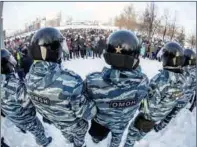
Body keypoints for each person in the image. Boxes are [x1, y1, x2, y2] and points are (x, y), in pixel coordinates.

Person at [25, 27, 96, 147]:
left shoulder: (28, 78)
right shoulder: (70, 81)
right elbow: (88, 113)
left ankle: (68, 140)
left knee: (66, 132)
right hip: (74, 124)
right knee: (79, 135)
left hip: (57, 122)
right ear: (53, 50)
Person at [85, 30, 149, 147]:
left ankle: (96, 140)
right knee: (117, 137)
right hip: (122, 122)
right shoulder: (143, 81)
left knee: (97, 135)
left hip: (101, 122)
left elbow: (86, 108)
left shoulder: (92, 81)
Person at [125, 42, 187, 146]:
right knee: (143, 132)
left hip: (147, 117)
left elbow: (147, 107)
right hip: (159, 116)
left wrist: (141, 95)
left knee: (132, 132)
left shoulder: (161, 80)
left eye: (164, 56)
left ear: (168, 59)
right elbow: (176, 100)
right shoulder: (183, 80)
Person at [1, 49, 52, 147]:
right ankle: (43, 142)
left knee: (20, 124)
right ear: (5, 65)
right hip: (24, 117)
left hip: (11, 114)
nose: (12, 62)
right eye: (10, 60)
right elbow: (28, 103)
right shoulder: (15, 86)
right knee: (38, 129)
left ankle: (22, 128)